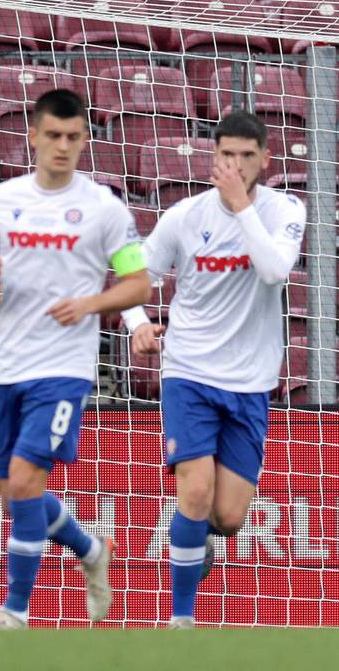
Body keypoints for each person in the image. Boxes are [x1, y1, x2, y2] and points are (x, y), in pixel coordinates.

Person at [0, 88, 152, 630]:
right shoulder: (2, 199)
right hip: (8, 365)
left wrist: (92, 303)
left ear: (85, 140)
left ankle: (14, 613)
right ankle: (90, 549)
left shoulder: (105, 210)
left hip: (64, 368)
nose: (62, 147)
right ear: (33, 137)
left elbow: (138, 284)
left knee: (23, 482)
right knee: (16, 495)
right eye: (53, 136)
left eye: (73, 137)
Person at [122, 110, 306, 629]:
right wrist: (137, 322)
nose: (237, 165)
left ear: (266, 159)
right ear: (214, 157)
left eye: (248, 156)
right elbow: (137, 275)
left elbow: (274, 271)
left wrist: (242, 207)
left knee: (226, 517)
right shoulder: (185, 215)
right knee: (195, 492)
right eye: (228, 154)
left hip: (250, 381)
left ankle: (197, 541)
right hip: (189, 370)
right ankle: (182, 623)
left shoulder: (284, 209)